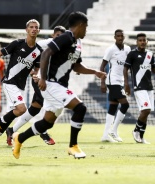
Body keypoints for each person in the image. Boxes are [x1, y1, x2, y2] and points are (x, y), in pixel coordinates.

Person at [12, 11, 106, 159]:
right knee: (80, 108)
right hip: (51, 85)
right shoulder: (66, 37)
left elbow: (76, 67)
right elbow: (46, 53)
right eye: (86, 28)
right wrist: (42, 78)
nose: (86, 31)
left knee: (47, 123)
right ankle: (73, 146)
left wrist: (95, 72)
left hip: (59, 86)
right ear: (80, 25)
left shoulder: (76, 43)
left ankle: (19, 138)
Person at [5, 26, 66, 146]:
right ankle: (43, 131)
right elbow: (31, 52)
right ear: (53, 35)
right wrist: (34, 71)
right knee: (51, 104)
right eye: (58, 35)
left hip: (51, 83)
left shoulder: (64, 47)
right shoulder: (45, 43)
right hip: (40, 81)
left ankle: (11, 130)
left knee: (35, 108)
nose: (60, 38)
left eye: (62, 36)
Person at [0, 19, 42, 151]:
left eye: (36, 27)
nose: (34, 29)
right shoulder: (17, 43)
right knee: (21, 109)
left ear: (39, 31)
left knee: (11, 114)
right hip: (9, 82)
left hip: (21, 86)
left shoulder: (39, 51)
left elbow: (36, 68)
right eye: (31, 27)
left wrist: (35, 74)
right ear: (26, 30)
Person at [123, 33, 155, 144]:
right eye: (140, 40)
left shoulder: (150, 54)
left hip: (149, 87)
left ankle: (141, 137)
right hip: (139, 86)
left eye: (144, 40)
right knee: (145, 110)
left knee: (147, 112)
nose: (142, 42)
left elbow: (153, 69)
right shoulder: (132, 54)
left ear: (147, 42)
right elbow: (125, 69)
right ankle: (136, 130)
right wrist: (126, 84)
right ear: (137, 42)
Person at [100, 29, 131, 143]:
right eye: (117, 36)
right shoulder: (110, 50)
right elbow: (102, 66)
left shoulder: (127, 49)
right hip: (112, 81)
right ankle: (114, 130)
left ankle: (105, 135)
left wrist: (126, 82)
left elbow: (127, 66)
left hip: (121, 81)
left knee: (112, 108)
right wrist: (102, 83)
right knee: (125, 104)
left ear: (124, 37)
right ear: (114, 37)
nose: (120, 38)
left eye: (121, 36)